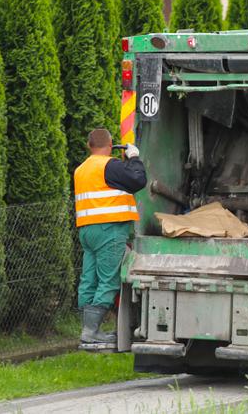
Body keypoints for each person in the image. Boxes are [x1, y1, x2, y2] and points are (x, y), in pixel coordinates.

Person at [74, 128, 146, 347]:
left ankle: (87, 328)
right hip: (109, 230)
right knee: (108, 279)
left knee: (88, 279)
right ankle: (91, 331)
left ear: (89, 145)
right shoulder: (108, 165)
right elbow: (137, 180)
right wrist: (133, 158)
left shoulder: (81, 169)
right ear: (110, 144)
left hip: (87, 231)